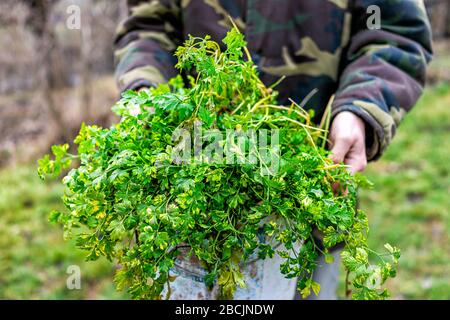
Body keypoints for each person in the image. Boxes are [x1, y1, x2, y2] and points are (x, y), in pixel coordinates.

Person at [113, 0, 432, 299]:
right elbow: (148, 25)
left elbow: (394, 30)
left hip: (311, 195)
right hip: (189, 195)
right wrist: (147, 94)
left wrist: (360, 108)